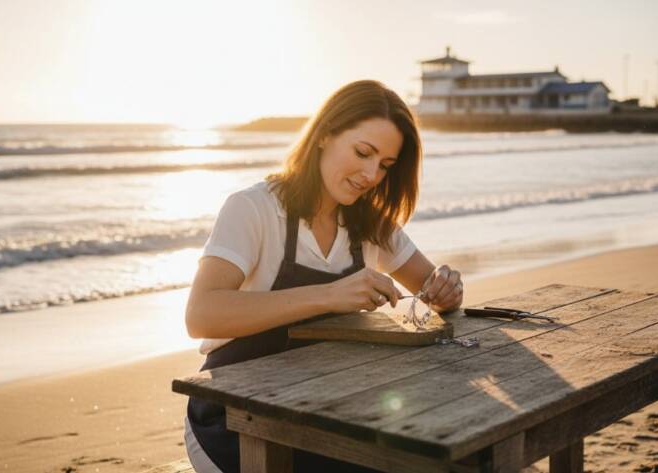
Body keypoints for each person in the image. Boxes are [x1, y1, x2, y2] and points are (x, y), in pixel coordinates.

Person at [183, 79, 464, 473]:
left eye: (384, 165)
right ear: (325, 134)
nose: (370, 175)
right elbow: (201, 315)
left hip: (331, 404)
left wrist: (447, 290)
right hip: (235, 416)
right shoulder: (253, 209)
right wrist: (330, 295)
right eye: (363, 152)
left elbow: (434, 287)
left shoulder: (372, 224)